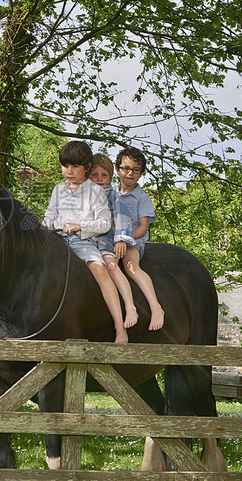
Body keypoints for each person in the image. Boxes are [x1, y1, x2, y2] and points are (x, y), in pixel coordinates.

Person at [43, 141, 130, 343]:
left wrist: (79, 225)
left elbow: (104, 223)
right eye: (65, 166)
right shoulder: (58, 189)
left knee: (100, 270)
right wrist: (48, 226)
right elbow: (49, 216)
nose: (69, 171)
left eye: (75, 166)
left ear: (87, 167)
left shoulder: (95, 191)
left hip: (82, 241)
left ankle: (120, 328)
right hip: (56, 238)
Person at [113, 147, 164, 331]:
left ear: (141, 173)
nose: (130, 173)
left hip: (132, 242)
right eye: (126, 168)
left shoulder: (142, 198)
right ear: (117, 169)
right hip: (108, 241)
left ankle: (155, 307)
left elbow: (142, 227)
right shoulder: (109, 193)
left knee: (131, 267)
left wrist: (124, 239)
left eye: (135, 170)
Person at [88, 153, 139, 330]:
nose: (99, 179)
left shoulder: (112, 196)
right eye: (95, 175)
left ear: (111, 177)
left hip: (105, 241)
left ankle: (130, 307)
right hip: (87, 242)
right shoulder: (84, 195)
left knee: (111, 266)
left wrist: (121, 240)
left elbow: (123, 218)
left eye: (104, 175)